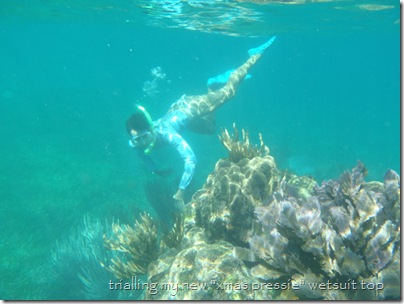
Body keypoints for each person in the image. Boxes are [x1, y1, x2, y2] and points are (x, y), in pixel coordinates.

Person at [126, 37, 276, 206]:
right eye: (136, 140)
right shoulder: (135, 144)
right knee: (210, 128)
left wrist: (181, 191)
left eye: (143, 137)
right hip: (180, 115)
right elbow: (142, 155)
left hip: (190, 108)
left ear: (151, 131)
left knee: (230, 91)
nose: (140, 143)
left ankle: (253, 56)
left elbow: (190, 159)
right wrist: (155, 169)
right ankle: (211, 85)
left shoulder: (168, 135)